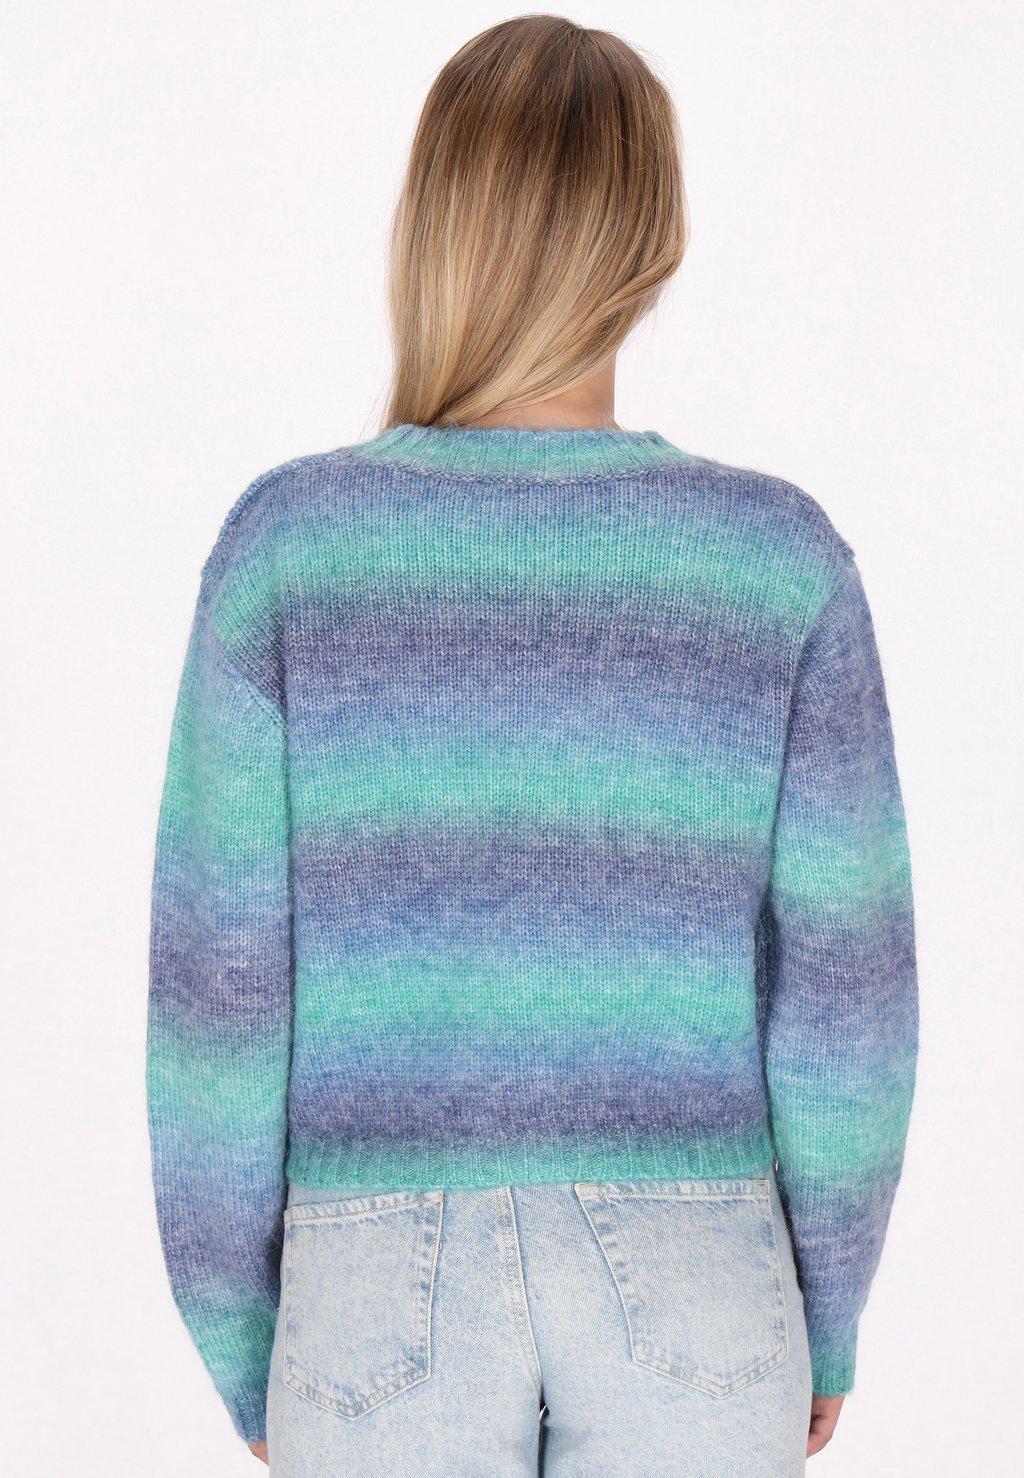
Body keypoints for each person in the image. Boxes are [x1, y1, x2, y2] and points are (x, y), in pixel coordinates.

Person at [147, 15, 917, 1474]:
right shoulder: (777, 561)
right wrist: (828, 1309)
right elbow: (848, 998)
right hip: (703, 1269)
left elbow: (219, 993)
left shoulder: (290, 551)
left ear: (431, 220)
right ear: (656, 242)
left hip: (372, 1285)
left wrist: (248, 1334)